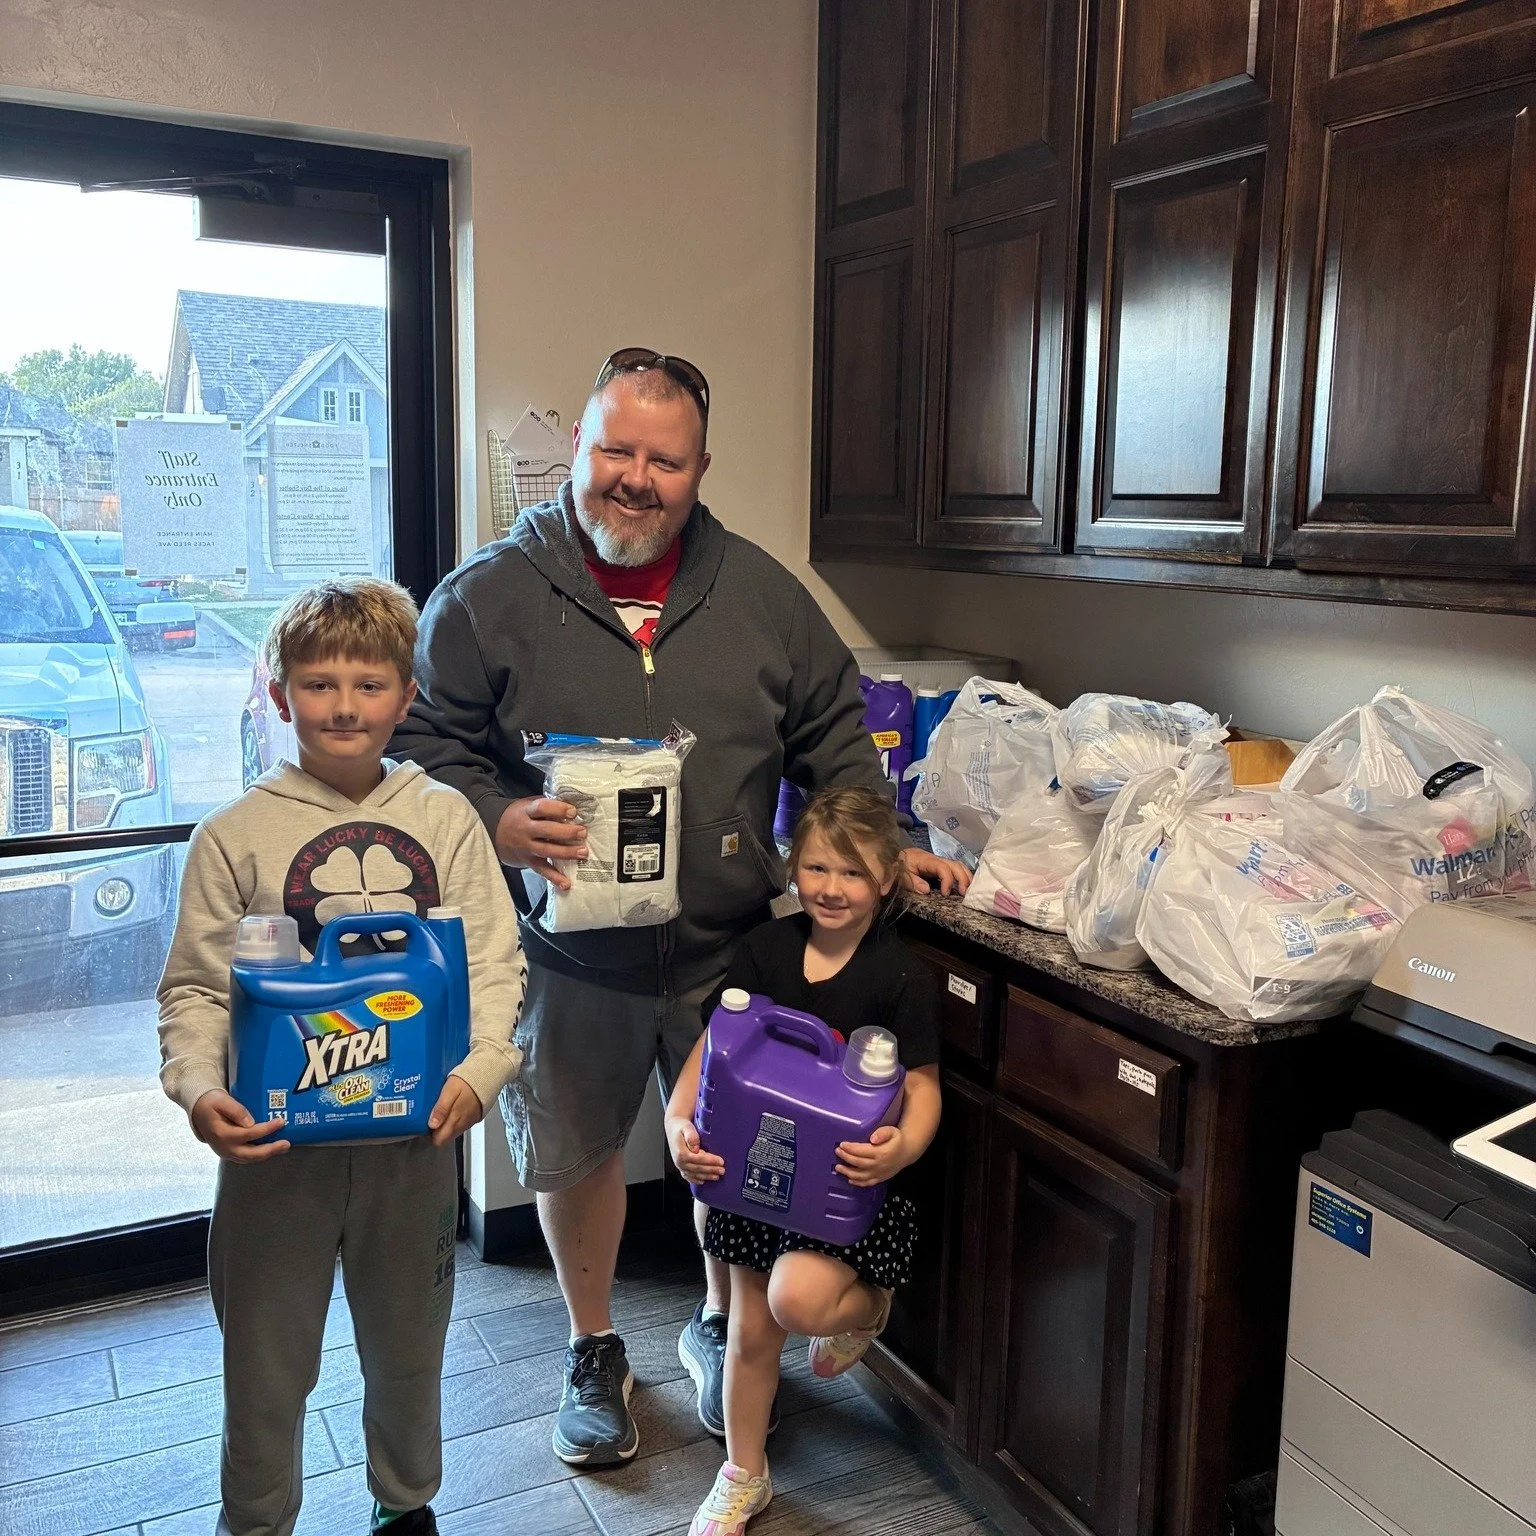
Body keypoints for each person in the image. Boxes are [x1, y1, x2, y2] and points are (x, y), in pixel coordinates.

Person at [391, 348, 968, 1467]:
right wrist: (503, 820)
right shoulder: (485, 597)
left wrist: (891, 842)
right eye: (616, 449)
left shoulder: (763, 598)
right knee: (572, 1155)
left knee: (729, 1148)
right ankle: (593, 1348)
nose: (636, 478)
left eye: (665, 459)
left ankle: (721, 1326)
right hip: (568, 961)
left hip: (730, 952)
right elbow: (424, 752)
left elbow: (837, 743)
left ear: (702, 467)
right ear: (579, 450)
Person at [157, 580, 526, 1536]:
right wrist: (201, 1093)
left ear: (406, 697)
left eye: (369, 684)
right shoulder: (233, 836)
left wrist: (482, 1069)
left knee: (410, 1353)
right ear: (279, 694)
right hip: (274, 1161)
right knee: (265, 1365)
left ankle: (405, 1507)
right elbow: (194, 992)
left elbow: (495, 960)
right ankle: (255, 1519)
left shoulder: (446, 820)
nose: (345, 706)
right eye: (319, 684)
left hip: (413, 1154)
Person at [665, 786, 943, 1534]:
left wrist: (903, 1147)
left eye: (852, 873)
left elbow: (922, 1086)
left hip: (843, 1186)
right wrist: (678, 1118)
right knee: (753, 1333)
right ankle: (743, 1475)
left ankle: (869, 1306)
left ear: (887, 877)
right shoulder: (765, 950)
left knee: (797, 1302)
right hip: (757, 1176)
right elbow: (714, 1046)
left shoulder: (901, 975)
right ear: (795, 870)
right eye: (817, 867)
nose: (831, 888)